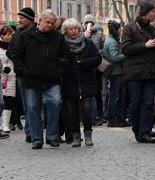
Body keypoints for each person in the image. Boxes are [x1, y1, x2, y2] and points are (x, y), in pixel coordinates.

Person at [11, 10, 66, 149]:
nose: (49, 25)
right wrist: (23, 71)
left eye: (52, 23)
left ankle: (53, 136)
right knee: (32, 107)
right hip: (31, 78)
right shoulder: (25, 36)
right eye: (47, 22)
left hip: (51, 78)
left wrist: (58, 69)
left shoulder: (57, 37)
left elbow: (64, 55)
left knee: (56, 101)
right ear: (40, 20)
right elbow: (16, 54)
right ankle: (36, 138)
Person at [121, 2, 155, 144]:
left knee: (148, 103)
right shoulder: (130, 28)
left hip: (150, 72)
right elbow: (125, 49)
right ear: (146, 13)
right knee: (135, 103)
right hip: (134, 73)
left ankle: (144, 132)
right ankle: (137, 128)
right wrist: (144, 45)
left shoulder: (152, 30)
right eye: (153, 12)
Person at [61, 18, 102, 147]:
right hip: (69, 82)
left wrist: (84, 63)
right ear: (66, 31)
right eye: (70, 29)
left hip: (86, 81)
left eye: (75, 28)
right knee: (72, 112)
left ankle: (88, 134)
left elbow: (97, 58)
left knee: (87, 109)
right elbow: (58, 61)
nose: (73, 31)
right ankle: (76, 136)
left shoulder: (88, 43)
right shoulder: (62, 45)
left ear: (79, 29)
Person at [7, 6, 36, 142]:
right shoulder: (17, 35)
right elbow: (10, 51)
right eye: (19, 18)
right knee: (27, 104)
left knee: (35, 103)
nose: (19, 20)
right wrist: (19, 65)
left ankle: (33, 130)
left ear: (30, 19)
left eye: (22, 18)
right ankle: (29, 131)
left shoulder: (37, 32)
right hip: (22, 74)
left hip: (38, 72)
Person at [102, 20, 127, 127]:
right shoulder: (112, 42)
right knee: (115, 96)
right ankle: (113, 119)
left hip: (115, 72)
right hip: (115, 72)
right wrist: (126, 54)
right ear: (115, 30)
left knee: (116, 96)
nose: (120, 31)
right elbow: (114, 57)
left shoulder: (110, 40)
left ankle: (117, 119)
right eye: (119, 29)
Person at [0, 25, 14, 139]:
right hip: (2, 76)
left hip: (12, 76)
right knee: (2, 101)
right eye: (7, 35)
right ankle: (2, 124)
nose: (9, 37)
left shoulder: (13, 46)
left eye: (10, 34)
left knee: (9, 100)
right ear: (2, 35)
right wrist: (3, 68)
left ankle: (5, 124)